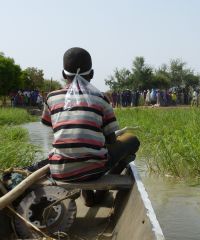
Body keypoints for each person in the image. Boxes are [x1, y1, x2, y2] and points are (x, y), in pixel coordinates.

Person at [34, 47, 140, 206]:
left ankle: (88, 196)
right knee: (132, 141)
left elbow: (53, 128)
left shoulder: (51, 97)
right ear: (91, 74)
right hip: (93, 171)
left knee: (81, 145)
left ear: (63, 75)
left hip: (59, 171)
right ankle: (101, 193)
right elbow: (111, 139)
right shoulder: (100, 97)